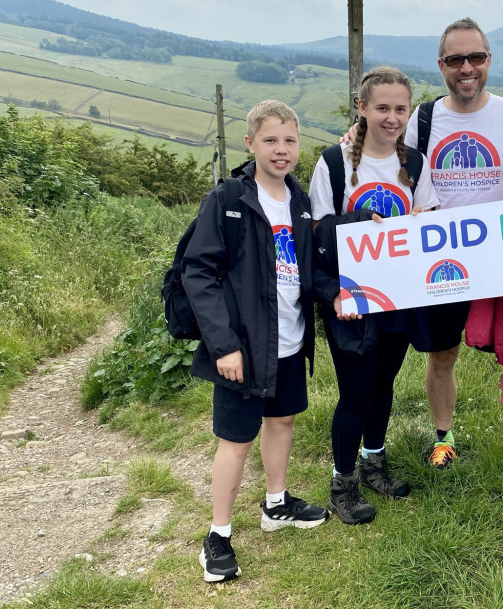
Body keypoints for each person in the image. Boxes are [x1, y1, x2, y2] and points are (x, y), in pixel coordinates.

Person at [184, 100, 328, 583]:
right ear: (250, 144)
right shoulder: (230, 200)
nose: (281, 150)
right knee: (236, 440)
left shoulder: (301, 200)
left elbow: (307, 271)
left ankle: (276, 504)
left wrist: (344, 295)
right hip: (242, 348)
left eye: (289, 140)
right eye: (270, 140)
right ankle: (217, 536)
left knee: (282, 419)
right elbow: (198, 273)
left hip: (288, 341)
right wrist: (223, 345)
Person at [405, 18, 503, 470]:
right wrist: (353, 140)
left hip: (501, 257)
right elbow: (395, 168)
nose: (466, 68)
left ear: (489, 60)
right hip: (441, 259)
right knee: (442, 353)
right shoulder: (423, 119)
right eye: (455, 59)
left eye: (476, 57)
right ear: (441, 65)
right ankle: (443, 438)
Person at [310, 67, 439, 524]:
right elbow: (316, 235)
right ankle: (342, 482)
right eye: (382, 108)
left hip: (399, 296)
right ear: (361, 108)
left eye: (400, 109)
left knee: (383, 384)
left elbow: (430, 229)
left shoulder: (417, 163)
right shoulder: (334, 162)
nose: (392, 117)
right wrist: (361, 220)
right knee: (356, 391)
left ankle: (373, 462)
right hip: (351, 302)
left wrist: (424, 219)